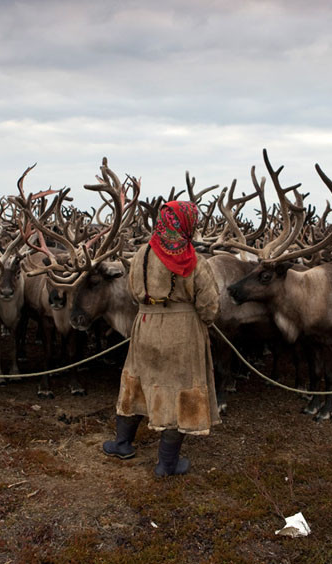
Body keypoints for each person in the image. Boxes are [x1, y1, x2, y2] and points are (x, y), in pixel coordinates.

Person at [102, 200, 220, 476]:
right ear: (187, 225)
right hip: (184, 333)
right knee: (179, 390)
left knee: (137, 381)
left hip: (146, 325)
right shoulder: (195, 262)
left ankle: (122, 443)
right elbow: (209, 306)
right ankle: (166, 464)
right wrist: (204, 321)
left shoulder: (142, 254)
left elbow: (133, 292)